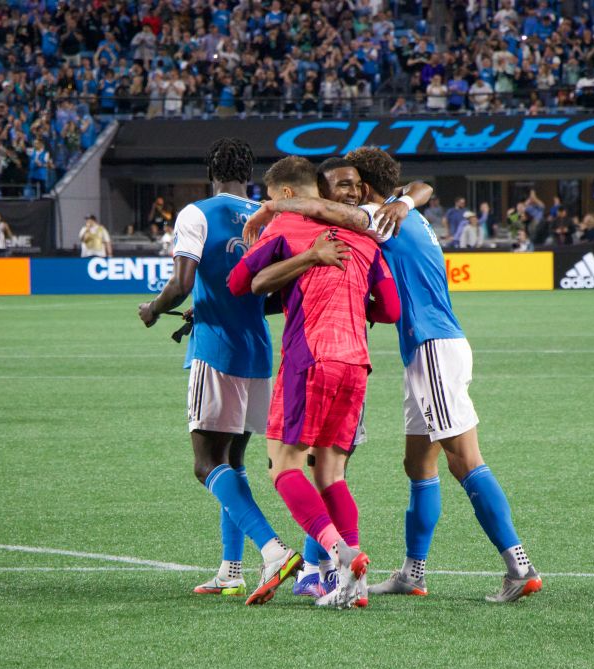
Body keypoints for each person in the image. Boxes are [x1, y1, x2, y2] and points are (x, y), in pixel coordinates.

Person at [250, 148, 544, 603]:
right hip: (427, 348)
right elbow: (420, 187)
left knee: (464, 459)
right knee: (418, 463)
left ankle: (518, 565)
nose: (343, 194)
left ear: (364, 189)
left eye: (349, 185)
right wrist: (407, 199)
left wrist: (270, 205)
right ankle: (413, 571)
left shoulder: (371, 216)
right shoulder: (401, 209)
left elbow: (319, 208)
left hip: (432, 346)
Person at [228, 156, 402, 609]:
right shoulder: (368, 239)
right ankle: (354, 586)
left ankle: (340, 553)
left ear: (288, 195)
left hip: (310, 357)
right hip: (356, 362)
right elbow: (389, 310)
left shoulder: (287, 227)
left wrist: (294, 265)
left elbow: (238, 282)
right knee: (331, 474)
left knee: (282, 467)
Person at [136, 138, 301, 605]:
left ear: (210, 170)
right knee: (235, 462)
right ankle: (230, 571)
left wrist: (153, 309)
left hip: (217, 351)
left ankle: (272, 550)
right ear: (250, 172)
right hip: (257, 353)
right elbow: (274, 293)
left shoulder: (196, 213)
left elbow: (182, 283)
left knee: (206, 463)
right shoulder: (267, 217)